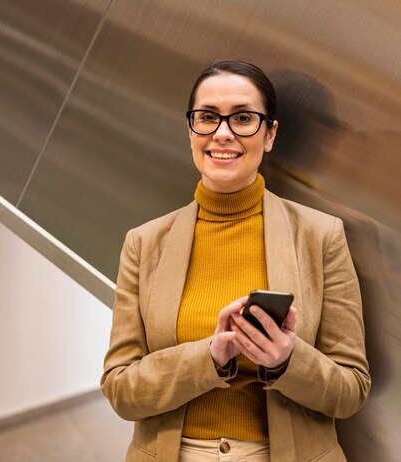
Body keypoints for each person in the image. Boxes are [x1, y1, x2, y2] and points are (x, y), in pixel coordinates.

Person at [100, 60, 370, 462]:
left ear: (270, 134)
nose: (222, 133)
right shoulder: (144, 243)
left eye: (243, 118)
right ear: (190, 130)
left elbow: (351, 391)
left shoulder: (322, 236)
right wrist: (208, 357)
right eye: (207, 117)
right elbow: (121, 390)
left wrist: (286, 360)